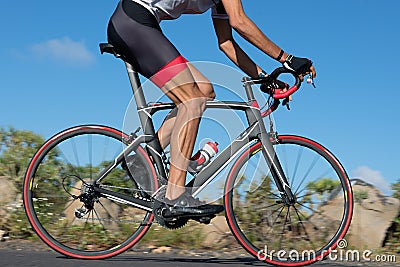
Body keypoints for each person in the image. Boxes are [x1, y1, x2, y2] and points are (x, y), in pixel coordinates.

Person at [107, 0, 317, 218]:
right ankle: (174, 196)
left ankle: (141, 160)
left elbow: (226, 43)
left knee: (204, 92)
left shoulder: (219, 4)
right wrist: (288, 59)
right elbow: (240, 21)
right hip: (134, 21)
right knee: (192, 100)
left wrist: (264, 79)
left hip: (141, 24)